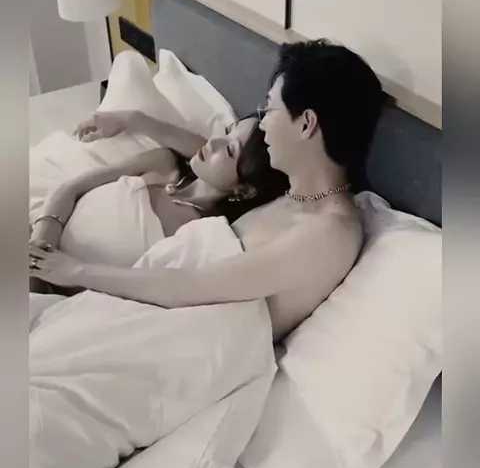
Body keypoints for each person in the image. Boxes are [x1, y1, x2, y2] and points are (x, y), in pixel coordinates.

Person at [30, 39, 386, 343]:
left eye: (269, 109)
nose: (263, 122)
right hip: (134, 303)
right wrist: (133, 120)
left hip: (167, 332)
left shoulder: (327, 230)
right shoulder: (295, 196)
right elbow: (215, 156)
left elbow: (192, 286)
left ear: (306, 123)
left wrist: (76, 272)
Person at [29, 113, 289, 292]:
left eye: (230, 149)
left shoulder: (199, 237)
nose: (214, 141)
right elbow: (71, 188)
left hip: (57, 299)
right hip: (34, 242)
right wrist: (40, 246)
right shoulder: (161, 164)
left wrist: (47, 270)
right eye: (228, 130)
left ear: (245, 191)